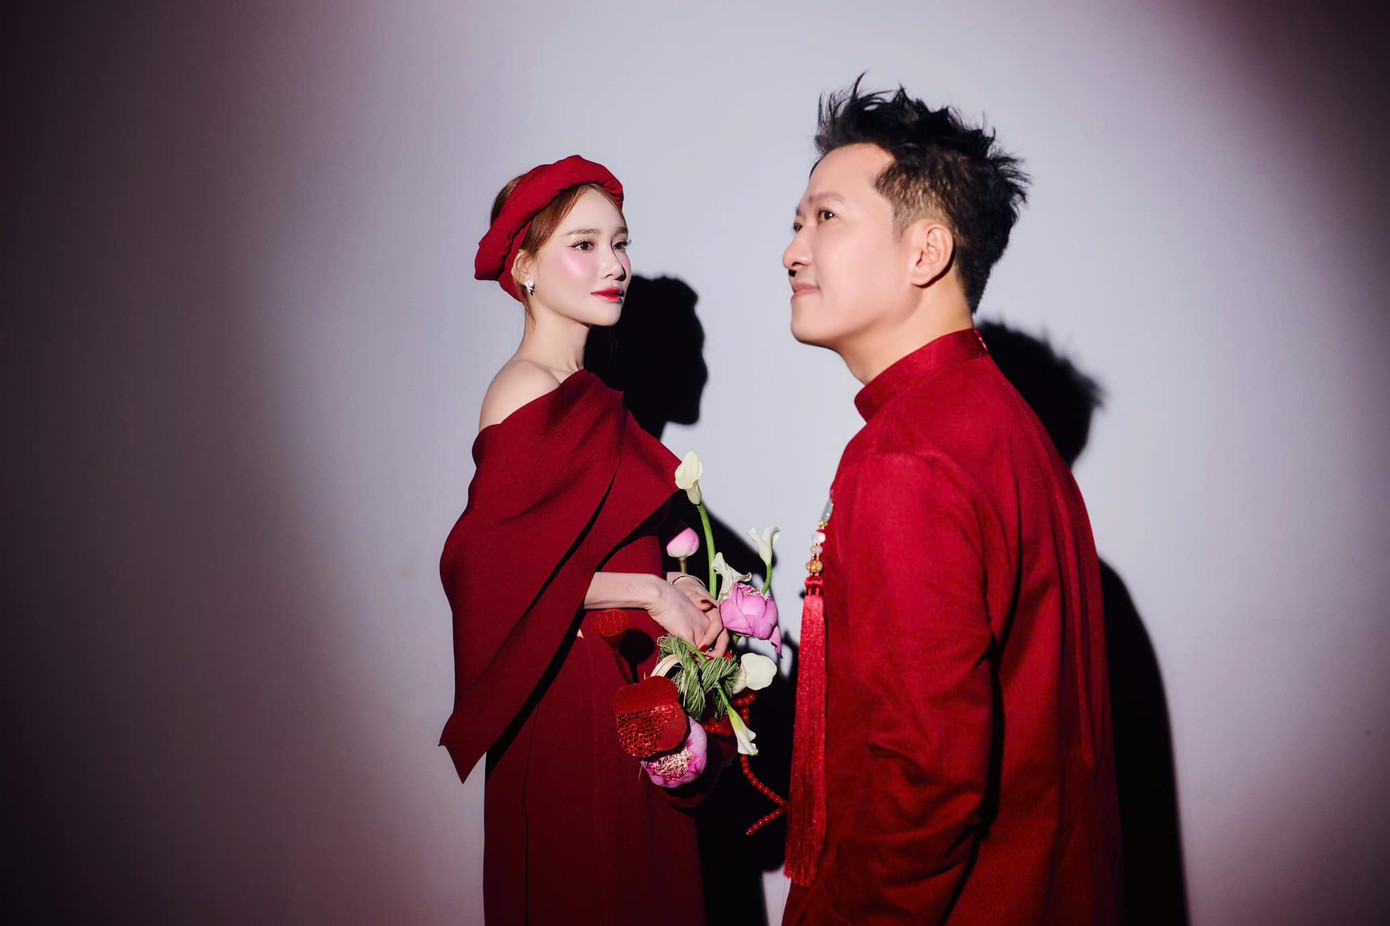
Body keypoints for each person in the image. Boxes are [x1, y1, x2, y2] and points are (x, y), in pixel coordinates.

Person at [780, 82, 1124, 924]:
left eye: (825, 218)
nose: (792, 251)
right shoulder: (1003, 425)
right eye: (797, 222)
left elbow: (923, 781)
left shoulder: (908, 455)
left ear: (925, 251)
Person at [439, 155, 725, 926]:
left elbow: (594, 547)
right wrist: (649, 591)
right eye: (585, 245)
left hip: (624, 690)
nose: (616, 266)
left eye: (620, 243)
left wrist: (677, 586)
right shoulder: (525, 389)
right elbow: (488, 572)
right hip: (569, 697)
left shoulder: (586, 395)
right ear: (524, 267)